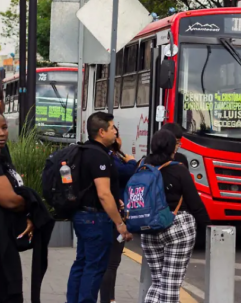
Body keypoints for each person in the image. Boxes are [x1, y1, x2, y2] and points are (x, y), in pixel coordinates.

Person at [66, 112, 133, 303]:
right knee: (94, 267)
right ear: (102, 132)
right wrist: (119, 223)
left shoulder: (83, 150)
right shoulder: (99, 156)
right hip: (95, 219)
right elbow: (103, 194)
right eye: (112, 128)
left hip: (82, 215)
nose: (115, 131)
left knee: (82, 263)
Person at [141, 129, 205, 303]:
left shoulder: (142, 167)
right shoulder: (179, 170)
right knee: (170, 285)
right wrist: (209, 226)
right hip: (177, 226)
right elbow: (195, 204)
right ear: (173, 149)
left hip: (148, 227)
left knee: (158, 282)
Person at [100, 127, 137, 303]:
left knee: (108, 262)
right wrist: (132, 162)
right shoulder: (112, 158)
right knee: (111, 262)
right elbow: (127, 172)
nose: (117, 136)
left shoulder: (104, 155)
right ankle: (108, 299)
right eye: (114, 132)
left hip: (104, 214)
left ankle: (109, 298)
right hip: (114, 214)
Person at [0, 113, 28, 303]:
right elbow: (9, 199)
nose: (2, 133)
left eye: (4, 127)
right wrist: (32, 205)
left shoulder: (3, 153)